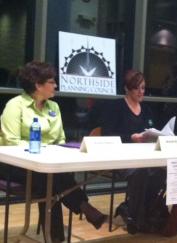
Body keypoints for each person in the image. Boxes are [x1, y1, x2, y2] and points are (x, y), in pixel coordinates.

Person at [0, 61, 107, 242]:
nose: (56, 85)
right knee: (49, 178)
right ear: (38, 85)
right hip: (13, 164)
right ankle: (83, 207)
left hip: (44, 166)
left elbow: (60, 140)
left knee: (49, 182)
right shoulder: (14, 105)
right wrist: (42, 150)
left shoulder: (54, 107)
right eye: (51, 81)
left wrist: (51, 153)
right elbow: (11, 143)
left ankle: (55, 237)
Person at [100, 69, 166, 234]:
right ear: (127, 88)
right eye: (137, 88)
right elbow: (107, 134)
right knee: (141, 172)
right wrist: (130, 137)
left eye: (143, 88)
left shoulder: (147, 110)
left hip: (144, 156)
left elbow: (151, 130)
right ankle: (137, 217)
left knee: (161, 172)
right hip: (120, 156)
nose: (141, 92)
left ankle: (137, 209)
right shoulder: (116, 107)